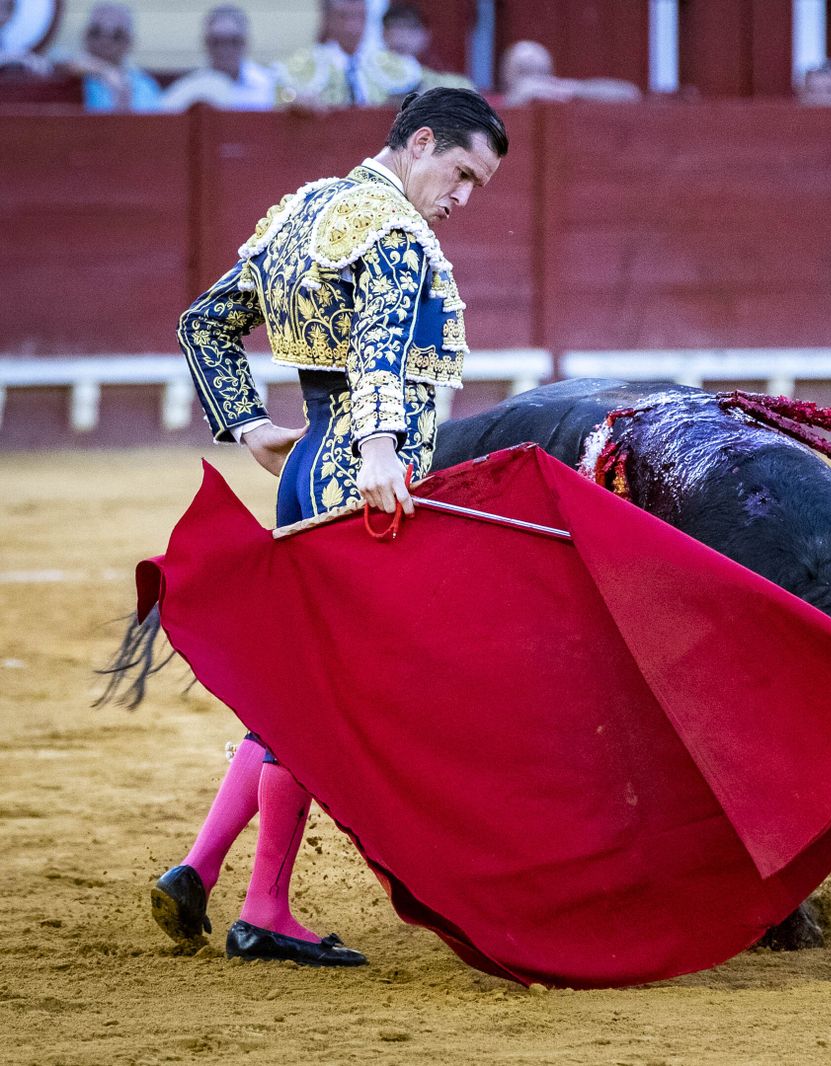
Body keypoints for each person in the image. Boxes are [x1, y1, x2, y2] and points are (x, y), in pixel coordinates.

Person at [156, 87, 508, 967]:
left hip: (309, 469)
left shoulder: (304, 209)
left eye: (479, 187)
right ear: (420, 141)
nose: (463, 198)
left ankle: (205, 872)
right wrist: (384, 450)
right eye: (462, 173)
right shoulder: (392, 227)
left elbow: (205, 324)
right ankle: (266, 905)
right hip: (364, 480)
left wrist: (248, 424)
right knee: (337, 700)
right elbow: (383, 349)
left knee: (302, 690)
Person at [275, 0, 420, 109]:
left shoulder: (394, 64)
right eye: (344, 17)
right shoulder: (303, 63)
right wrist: (295, 101)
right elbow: (281, 96)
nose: (352, 27)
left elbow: (429, 86)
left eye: (359, 17)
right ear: (328, 20)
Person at [161, 5, 276, 111]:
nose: (225, 49)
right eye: (216, 42)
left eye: (233, 41)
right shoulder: (187, 89)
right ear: (205, 44)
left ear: (245, 43)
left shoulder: (269, 86)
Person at [62, 2, 161, 112]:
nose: (105, 41)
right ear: (85, 35)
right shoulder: (72, 76)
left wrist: (121, 91)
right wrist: (105, 71)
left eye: (116, 35)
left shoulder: (143, 86)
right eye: (96, 32)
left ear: (129, 42)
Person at [497, 38, 641, 104]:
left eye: (539, 73)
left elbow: (630, 93)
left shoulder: (566, 94)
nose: (533, 83)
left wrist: (574, 90)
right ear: (506, 75)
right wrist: (519, 97)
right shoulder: (494, 103)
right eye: (524, 71)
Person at [381, 3, 473, 92]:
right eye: (394, 28)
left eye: (410, 27)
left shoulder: (455, 84)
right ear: (383, 34)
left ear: (426, 35)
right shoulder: (369, 79)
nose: (402, 36)